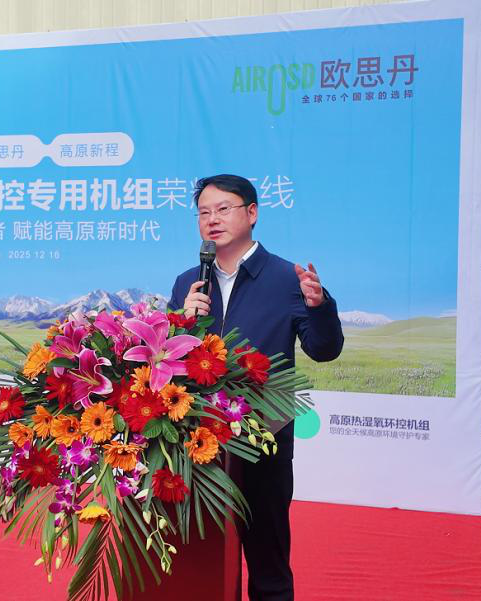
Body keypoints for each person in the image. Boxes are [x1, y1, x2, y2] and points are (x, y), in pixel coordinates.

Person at [169, 174, 344, 601]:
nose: (212, 220)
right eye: (204, 212)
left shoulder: (287, 278)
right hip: (198, 445)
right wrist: (180, 322)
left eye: (223, 209)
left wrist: (320, 307)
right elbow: (168, 364)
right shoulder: (189, 281)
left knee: (268, 561)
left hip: (263, 440)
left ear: (252, 213)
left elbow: (324, 349)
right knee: (207, 560)